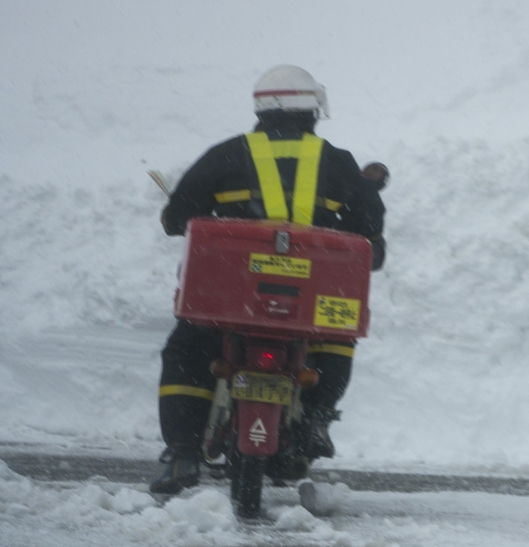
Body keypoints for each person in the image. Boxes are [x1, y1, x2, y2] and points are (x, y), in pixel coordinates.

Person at [150, 65, 386, 495]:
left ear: (263, 110)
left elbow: (177, 219)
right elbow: (371, 241)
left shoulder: (224, 156)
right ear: (311, 110)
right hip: (309, 307)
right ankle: (314, 421)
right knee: (335, 338)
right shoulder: (339, 164)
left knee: (187, 348)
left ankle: (182, 452)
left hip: (231, 304)